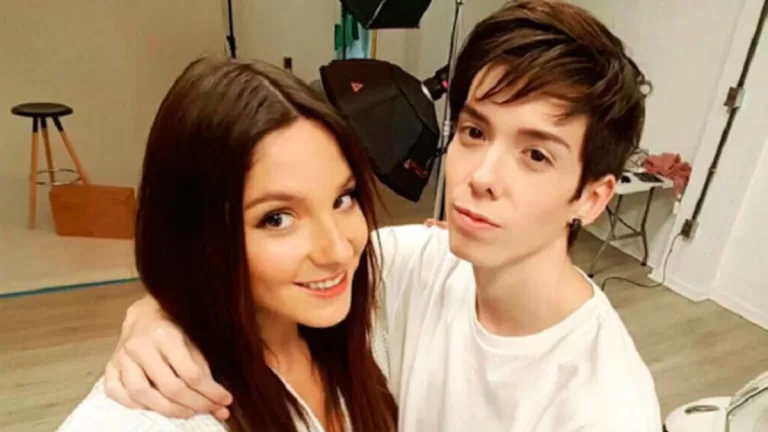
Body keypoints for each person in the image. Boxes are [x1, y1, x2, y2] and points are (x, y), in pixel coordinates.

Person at [100, 1, 662, 430]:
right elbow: (261, 268)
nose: (481, 175)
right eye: (474, 131)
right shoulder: (418, 263)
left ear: (592, 198)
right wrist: (157, 317)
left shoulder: (604, 404)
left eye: (535, 155)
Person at [57, 55, 397, 432]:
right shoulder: (147, 415)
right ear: (196, 234)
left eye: (342, 199)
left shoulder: (370, 317)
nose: (338, 251)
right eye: (277, 218)